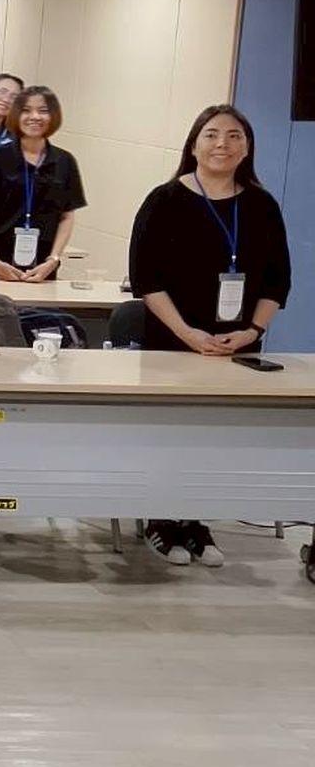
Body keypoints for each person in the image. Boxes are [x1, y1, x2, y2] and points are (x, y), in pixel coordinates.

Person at [129, 104, 291, 567]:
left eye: (235, 136)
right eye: (212, 134)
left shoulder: (261, 205)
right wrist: (187, 333)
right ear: (194, 144)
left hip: (237, 349)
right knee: (169, 433)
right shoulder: (165, 200)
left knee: (213, 435)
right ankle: (161, 519)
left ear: (247, 147)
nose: (223, 144)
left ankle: (196, 522)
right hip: (173, 341)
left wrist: (252, 330)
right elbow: (145, 279)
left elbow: (278, 280)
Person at [0, 85, 85, 281]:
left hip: (43, 269)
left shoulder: (65, 161)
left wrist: (53, 259)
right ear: (16, 115)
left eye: (43, 111)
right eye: (26, 110)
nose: (35, 116)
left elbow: (67, 216)